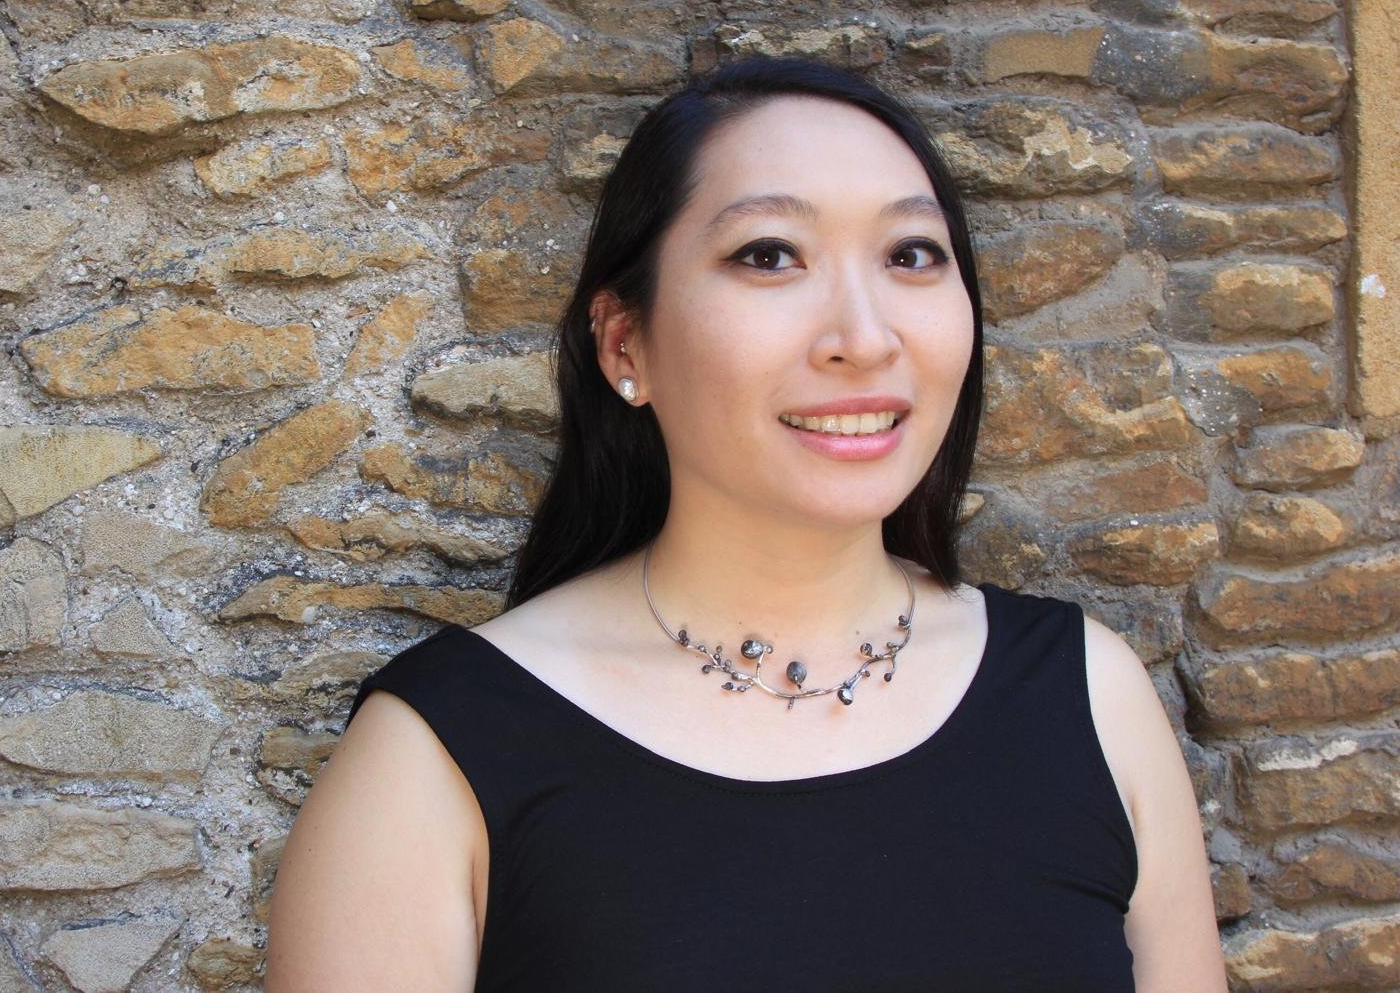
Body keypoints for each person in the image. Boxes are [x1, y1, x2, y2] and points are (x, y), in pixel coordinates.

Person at [265, 56, 1228, 992]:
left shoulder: (1091, 696)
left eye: (911, 255)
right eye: (769, 255)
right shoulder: (434, 758)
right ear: (624, 343)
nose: (865, 338)